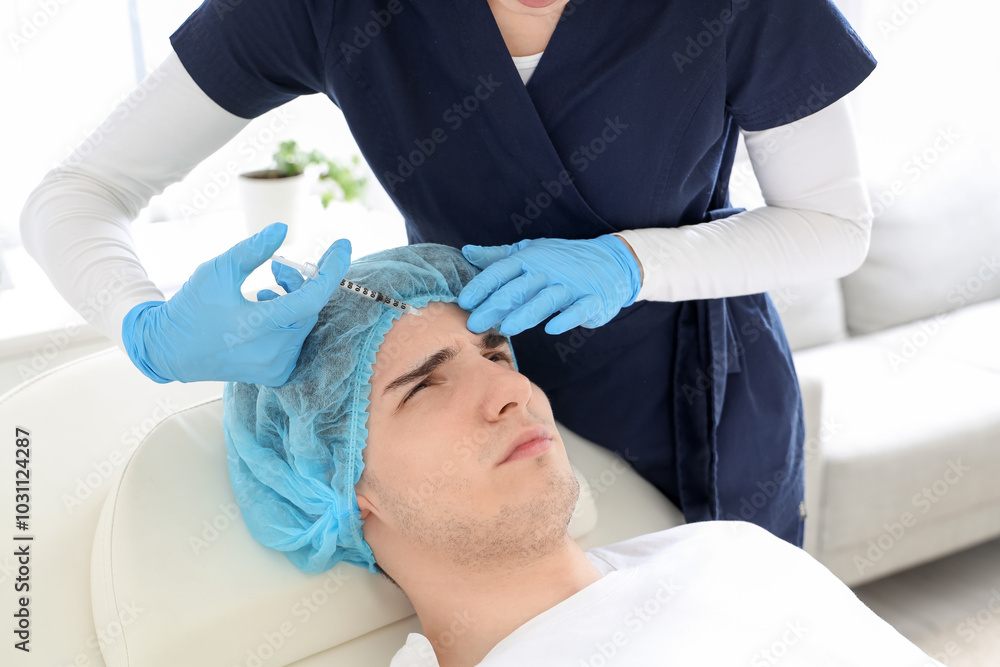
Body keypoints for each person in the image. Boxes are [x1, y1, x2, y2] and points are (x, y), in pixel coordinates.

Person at [21, 0, 879, 547]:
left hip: (704, 404)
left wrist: (632, 261)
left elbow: (834, 225)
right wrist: (146, 328)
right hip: (458, 423)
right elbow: (78, 192)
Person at [223, 244, 942, 667]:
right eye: (425, 385)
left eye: (496, 354)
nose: (512, 390)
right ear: (339, 483)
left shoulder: (733, 551)